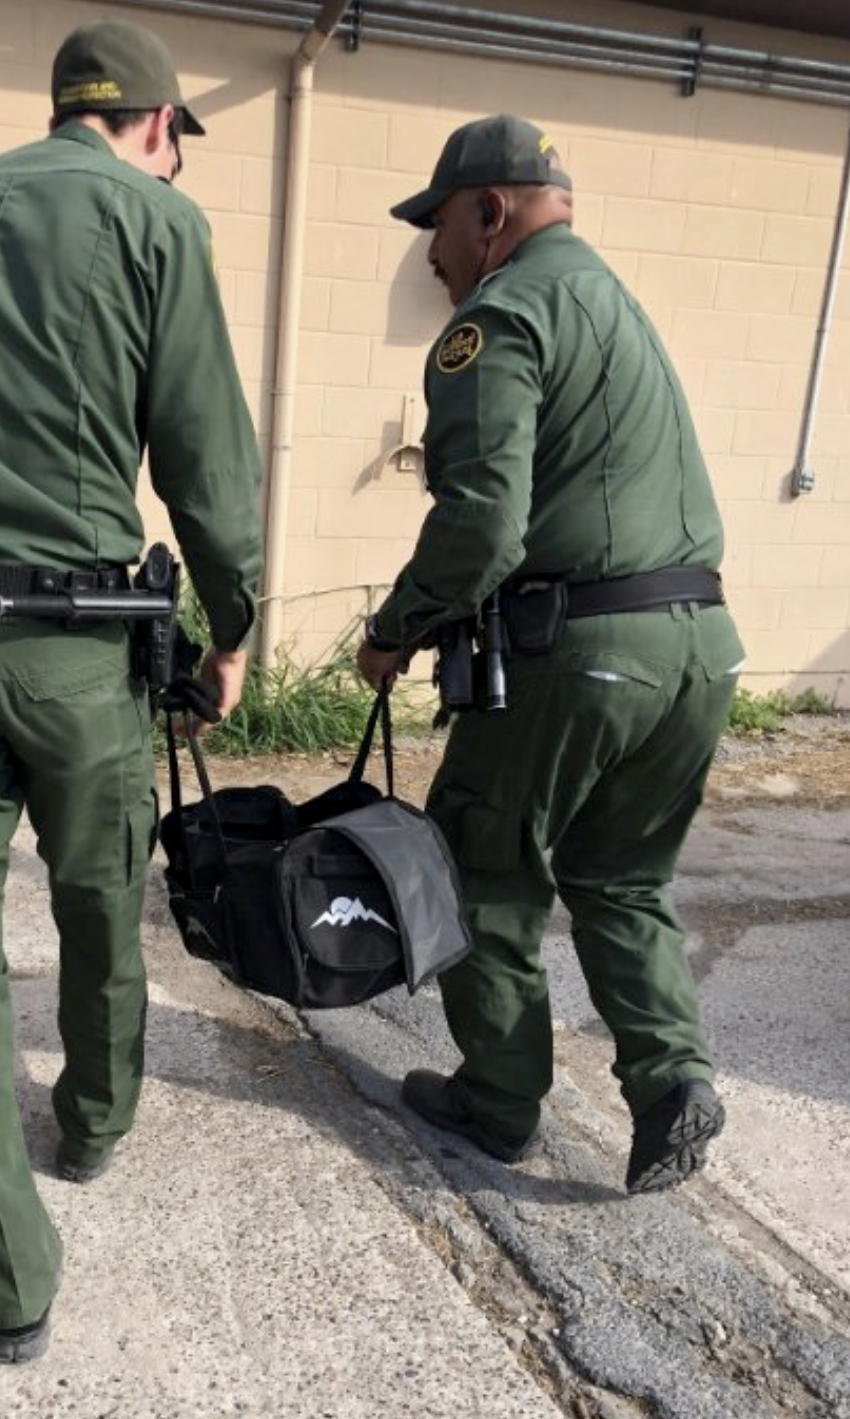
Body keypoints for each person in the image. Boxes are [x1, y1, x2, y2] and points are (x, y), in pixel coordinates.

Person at [0, 20, 262, 1363]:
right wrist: (232, 628)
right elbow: (204, 456)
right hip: (82, 653)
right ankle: (92, 1122)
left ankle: (10, 1283)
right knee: (98, 902)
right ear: (156, 126)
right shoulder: (154, 222)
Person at [356, 114, 743, 1196]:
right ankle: (672, 1079)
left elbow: (485, 525)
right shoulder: (619, 308)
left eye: (435, 229)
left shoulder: (501, 315)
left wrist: (395, 632)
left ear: (491, 213)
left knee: (484, 873)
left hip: (577, 650)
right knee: (622, 878)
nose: (429, 257)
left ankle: (498, 1101)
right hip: (700, 649)